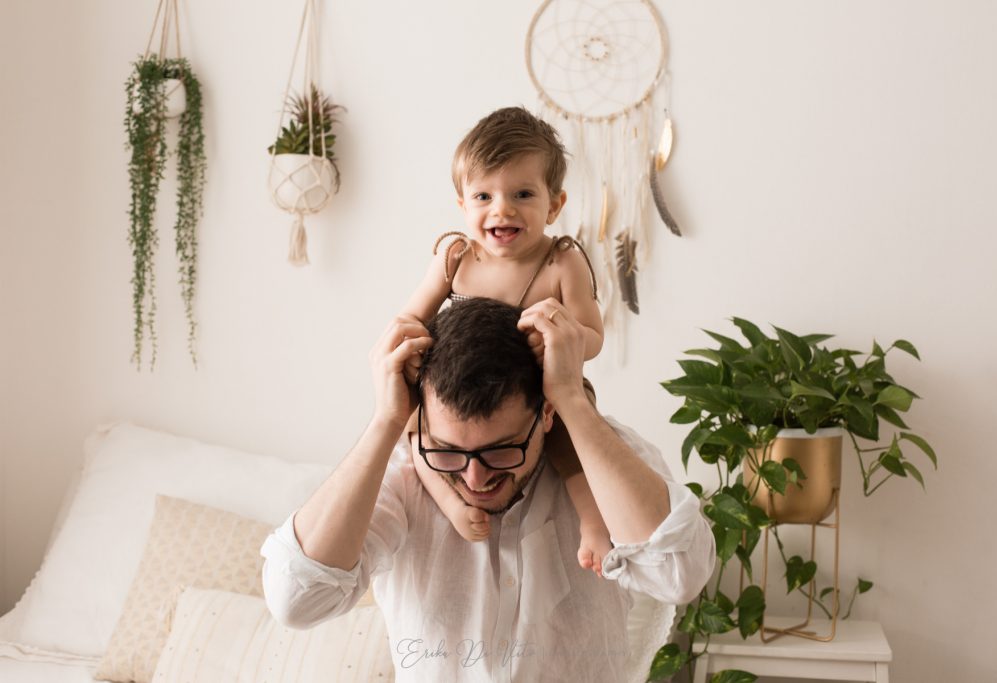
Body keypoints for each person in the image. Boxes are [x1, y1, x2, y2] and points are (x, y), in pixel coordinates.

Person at [261, 297, 716, 682]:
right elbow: (296, 601)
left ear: (546, 415)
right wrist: (386, 422)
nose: (475, 479)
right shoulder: (401, 471)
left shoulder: (606, 454)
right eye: (448, 451)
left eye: (501, 451)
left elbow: (679, 574)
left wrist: (573, 398)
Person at [402, 106, 611, 573]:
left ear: (554, 205)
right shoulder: (455, 258)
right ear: (462, 205)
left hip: (543, 384)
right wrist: (409, 351)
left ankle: (595, 522)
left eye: (522, 193)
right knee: (415, 430)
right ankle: (453, 505)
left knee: (573, 441)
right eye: (483, 195)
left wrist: (564, 336)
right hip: (466, 388)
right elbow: (412, 317)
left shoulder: (561, 262)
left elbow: (593, 336)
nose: (502, 209)